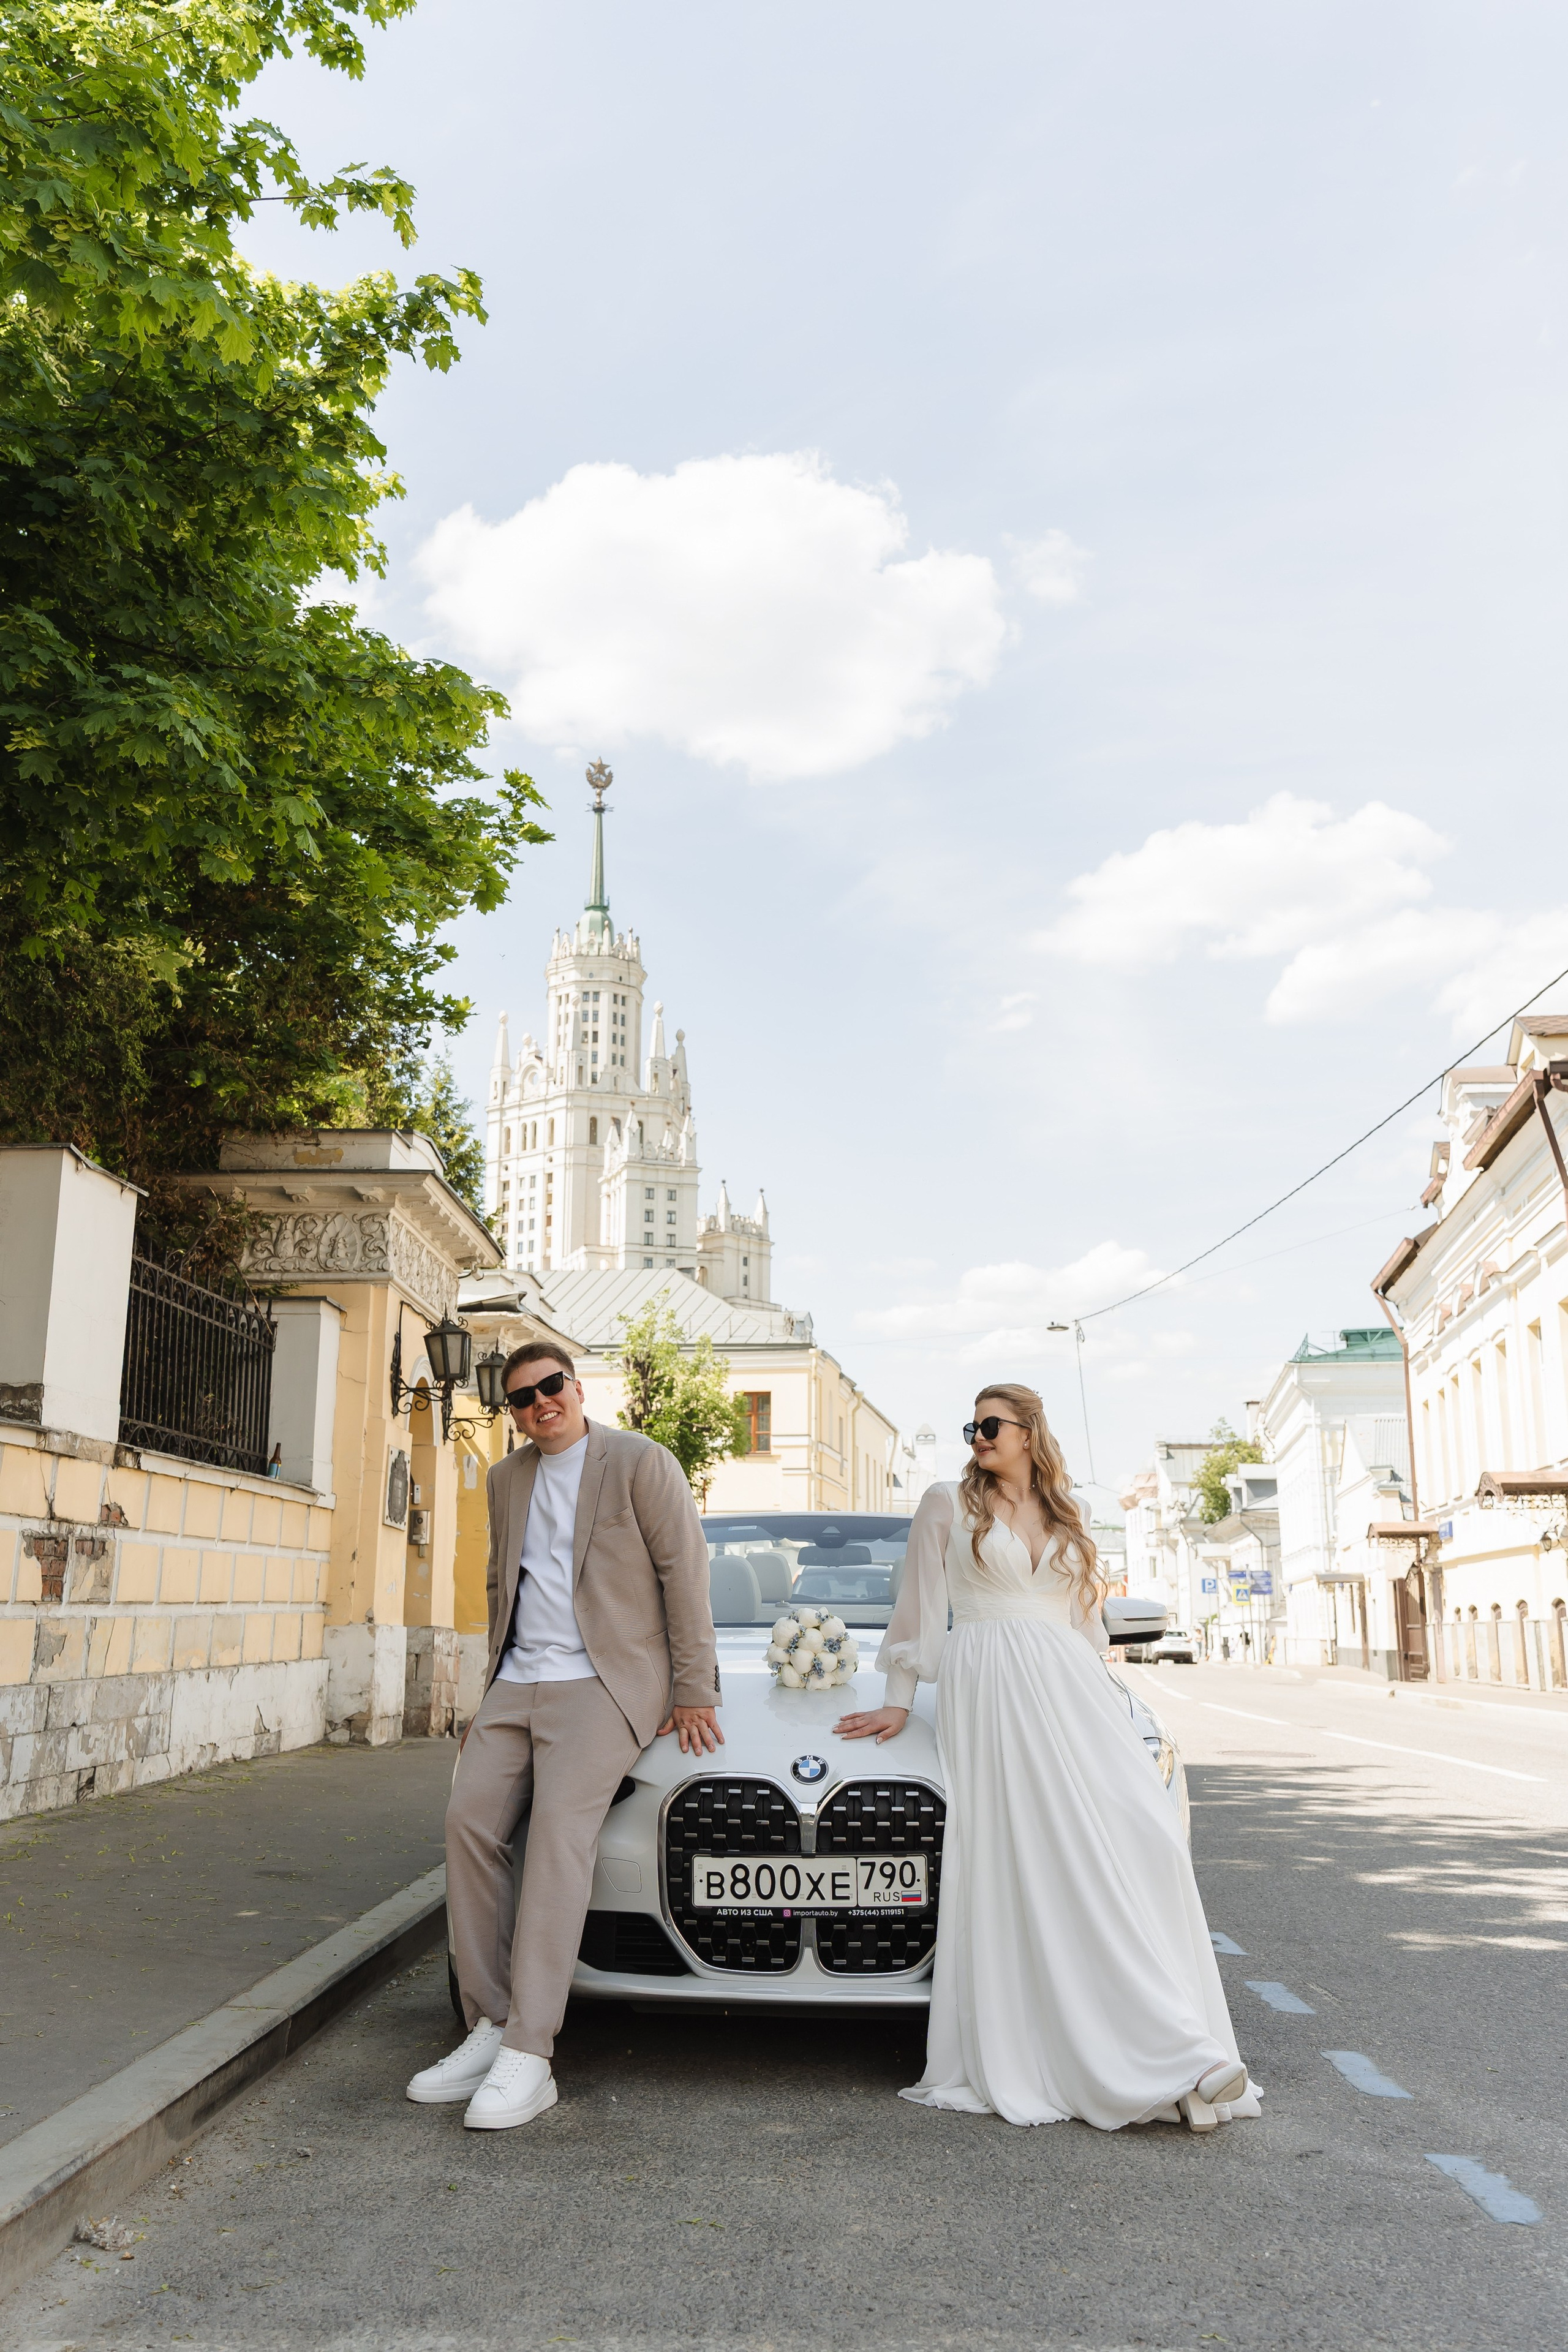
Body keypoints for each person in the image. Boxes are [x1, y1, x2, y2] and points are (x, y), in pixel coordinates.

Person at [835, 1382, 1256, 2134]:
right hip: (990, 1682)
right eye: (970, 1427)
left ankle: (1173, 2047)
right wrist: (899, 1696)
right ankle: (1177, 2059)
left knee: (1146, 1842)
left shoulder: (1071, 1511)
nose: (977, 1437)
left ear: (1028, 1432)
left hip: (1072, 1687)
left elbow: (1085, 1624)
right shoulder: (945, 1502)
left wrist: (1110, 1698)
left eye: (989, 1425)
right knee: (1045, 1859)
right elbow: (919, 1606)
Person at [406, 1341, 722, 2130]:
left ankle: (530, 2050)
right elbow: (500, 1581)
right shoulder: (507, 1478)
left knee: (556, 1837)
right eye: (522, 1397)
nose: (540, 1402)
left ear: (577, 1389)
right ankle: (489, 2022)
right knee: (467, 1824)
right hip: (517, 1680)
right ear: (512, 1413)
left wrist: (694, 1689)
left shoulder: (639, 1463)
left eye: (551, 1386)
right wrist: (487, 1692)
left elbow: (684, 1575)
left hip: (603, 1680)